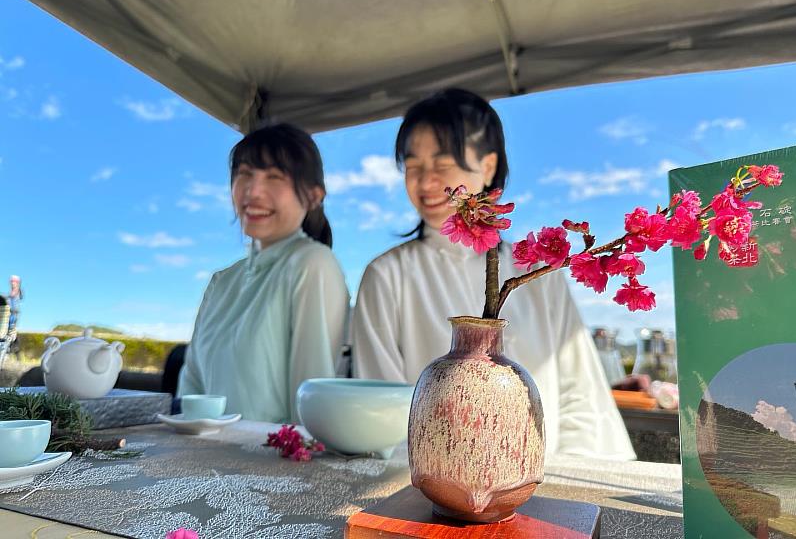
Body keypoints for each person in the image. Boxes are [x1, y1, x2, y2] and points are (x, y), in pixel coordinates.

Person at [350, 88, 635, 460]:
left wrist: (566, 485)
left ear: (487, 167)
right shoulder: (387, 276)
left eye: (442, 163)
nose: (425, 181)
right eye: (413, 166)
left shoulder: (537, 270)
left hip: (545, 481)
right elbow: (384, 414)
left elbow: (579, 394)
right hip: (430, 486)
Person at [177, 123, 349, 423]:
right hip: (201, 460)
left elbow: (312, 403)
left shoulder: (312, 264)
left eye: (274, 177)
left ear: (313, 196)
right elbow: (190, 386)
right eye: (244, 174)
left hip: (273, 464)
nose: (253, 192)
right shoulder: (221, 281)